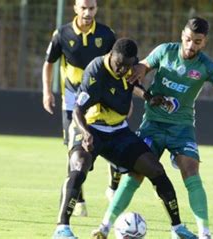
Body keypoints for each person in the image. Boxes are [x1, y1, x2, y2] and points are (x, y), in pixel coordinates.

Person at [91, 17, 213, 239]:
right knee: (135, 174)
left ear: (205, 42)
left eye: (198, 42)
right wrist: (140, 71)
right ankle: (105, 227)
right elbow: (142, 66)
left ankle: (205, 233)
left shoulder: (206, 65)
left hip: (182, 128)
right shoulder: (165, 51)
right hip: (152, 125)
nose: (192, 46)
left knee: (191, 171)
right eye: (188, 39)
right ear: (182, 35)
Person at [52, 38, 195, 239]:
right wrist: (85, 134)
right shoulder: (96, 70)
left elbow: (134, 85)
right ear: (111, 55)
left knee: (155, 168)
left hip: (119, 132)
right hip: (91, 127)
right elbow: (77, 109)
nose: (122, 70)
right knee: (78, 166)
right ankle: (62, 229)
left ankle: (177, 228)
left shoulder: (130, 69)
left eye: (127, 66)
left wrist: (149, 97)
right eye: (119, 65)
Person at [42, 0, 121, 216]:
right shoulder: (62, 34)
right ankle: (78, 201)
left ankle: (113, 188)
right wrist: (47, 92)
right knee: (74, 149)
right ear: (75, 8)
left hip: (100, 98)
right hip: (72, 100)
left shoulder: (106, 34)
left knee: (113, 141)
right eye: (83, 8)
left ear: (97, 9)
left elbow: (117, 65)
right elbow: (49, 63)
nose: (87, 12)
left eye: (92, 8)